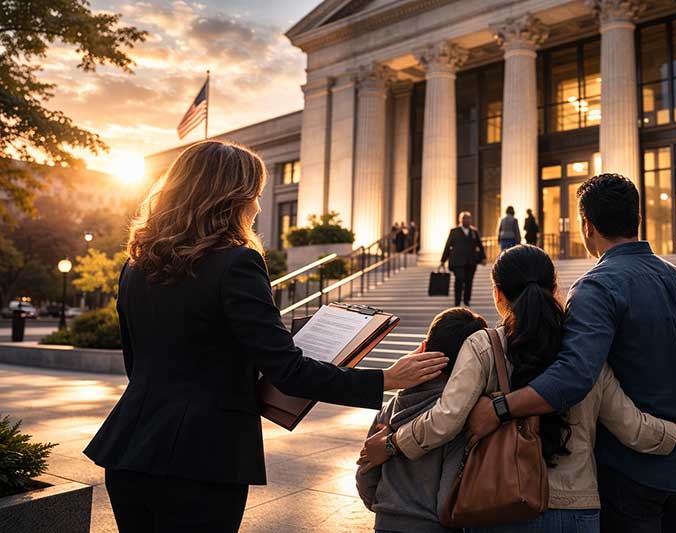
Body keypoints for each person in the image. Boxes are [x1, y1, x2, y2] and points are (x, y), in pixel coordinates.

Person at [83, 140, 448, 533]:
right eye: (255, 196)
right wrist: (387, 378)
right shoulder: (237, 262)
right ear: (231, 199)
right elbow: (287, 371)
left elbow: (136, 364)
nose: (258, 207)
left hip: (129, 447)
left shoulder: (134, 266)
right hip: (202, 460)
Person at [360, 244, 676, 532]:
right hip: (576, 511)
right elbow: (634, 429)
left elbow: (445, 420)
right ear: (555, 288)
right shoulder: (586, 356)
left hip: (498, 504)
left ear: (497, 294)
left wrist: (391, 444)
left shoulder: (484, 347)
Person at [466, 174, 676, 533]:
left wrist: (500, 407)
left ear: (586, 225)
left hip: (628, 474)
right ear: (637, 220)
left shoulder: (597, 287)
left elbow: (573, 377)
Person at [356, 307, 488, 533]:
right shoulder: (458, 415)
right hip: (433, 525)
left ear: (424, 348)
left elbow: (365, 473)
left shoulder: (392, 406)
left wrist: (385, 509)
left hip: (386, 522)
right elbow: (448, 492)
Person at [440, 211, 485, 307]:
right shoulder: (454, 231)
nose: (467, 220)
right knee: (459, 280)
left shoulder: (474, 232)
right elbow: (448, 246)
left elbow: (480, 246)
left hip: (471, 262)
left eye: (468, 219)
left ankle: (466, 300)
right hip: (457, 262)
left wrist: (483, 258)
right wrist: (443, 260)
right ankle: (457, 301)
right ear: (460, 220)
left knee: (469, 281)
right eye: (464, 218)